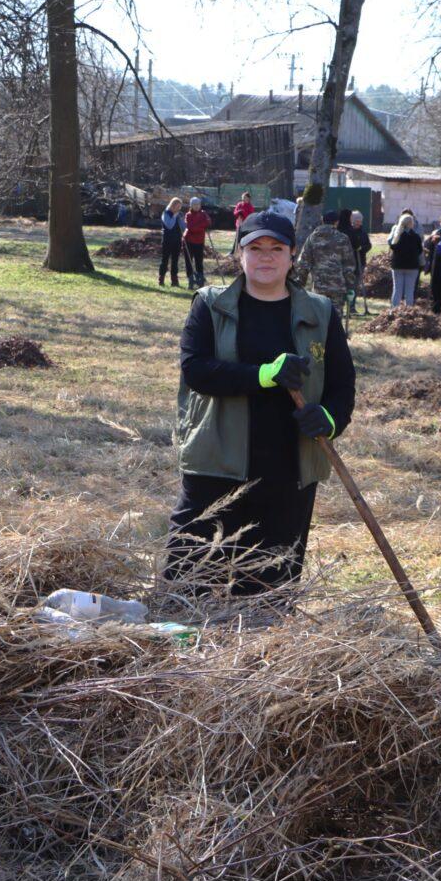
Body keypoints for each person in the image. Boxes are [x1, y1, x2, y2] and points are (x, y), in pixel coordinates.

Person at [165, 210, 356, 596]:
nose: (265, 257)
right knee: (191, 578)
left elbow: (343, 385)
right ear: (240, 254)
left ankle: (262, 653)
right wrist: (263, 375)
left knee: (271, 586)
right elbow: (196, 370)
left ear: (292, 255)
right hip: (217, 462)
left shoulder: (320, 312)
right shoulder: (211, 305)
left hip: (290, 468)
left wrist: (330, 419)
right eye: (255, 248)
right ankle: (185, 650)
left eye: (276, 248)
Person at [296, 210, 356, 325]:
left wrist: (300, 283)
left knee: (319, 319)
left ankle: (320, 341)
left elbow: (303, 263)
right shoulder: (342, 238)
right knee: (336, 321)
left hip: (319, 286)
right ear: (336, 222)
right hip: (338, 287)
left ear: (322, 221)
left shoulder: (312, 238)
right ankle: (335, 341)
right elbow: (349, 265)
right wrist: (350, 287)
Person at [387, 212, 423, 307]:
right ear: (411, 223)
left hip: (398, 266)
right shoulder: (416, 237)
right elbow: (420, 251)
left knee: (397, 290)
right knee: (409, 291)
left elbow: (392, 247)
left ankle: (394, 310)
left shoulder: (397, 237)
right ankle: (409, 311)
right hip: (412, 266)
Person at [183, 196, 212, 288]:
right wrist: (200, 226)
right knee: (189, 262)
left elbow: (208, 223)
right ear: (191, 205)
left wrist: (198, 226)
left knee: (199, 261)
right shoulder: (188, 215)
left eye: (198, 204)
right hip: (189, 241)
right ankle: (191, 280)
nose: (197, 206)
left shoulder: (203, 214)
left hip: (199, 241)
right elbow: (190, 227)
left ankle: (200, 280)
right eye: (194, 205)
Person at [159, 196, 186, 287]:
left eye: (180, 207)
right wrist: (174, 216)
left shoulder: (179, 215)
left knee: (175, 261)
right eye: (177, 206)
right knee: (165, 260)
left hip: (177, 240)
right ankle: (161, 279)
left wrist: (182, 220)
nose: (178, 208)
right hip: (167, 240)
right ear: (172, 205)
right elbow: (169, 225)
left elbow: (183, 227)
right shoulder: (166, 213)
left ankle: (174, 281)